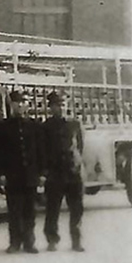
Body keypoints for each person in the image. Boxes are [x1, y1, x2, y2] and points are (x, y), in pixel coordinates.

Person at [0, 90, 45, 254]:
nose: (20, 106)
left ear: (27, 105)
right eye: (16, 103)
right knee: (14, 211)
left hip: (30, 175)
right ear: (11, 105)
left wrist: (42, 173)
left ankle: (29, 242)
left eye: (23, 102)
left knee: (30, 211)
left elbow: (40, 152)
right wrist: (0, 173)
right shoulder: (3, 127)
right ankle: (14, 242)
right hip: (13, 175)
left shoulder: (35, 126)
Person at [42, 91, 85, 252]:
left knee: (76, 209)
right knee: (52, 208)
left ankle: (76, 240)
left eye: (62, 104)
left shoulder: (75, 124)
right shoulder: (46, 126)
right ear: (51, 107)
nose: (60, 108)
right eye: (56, 105)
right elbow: (44, 149)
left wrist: (76, 164)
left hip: (74, 172)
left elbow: (80, 146)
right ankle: (52, 239)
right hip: (55, 173)